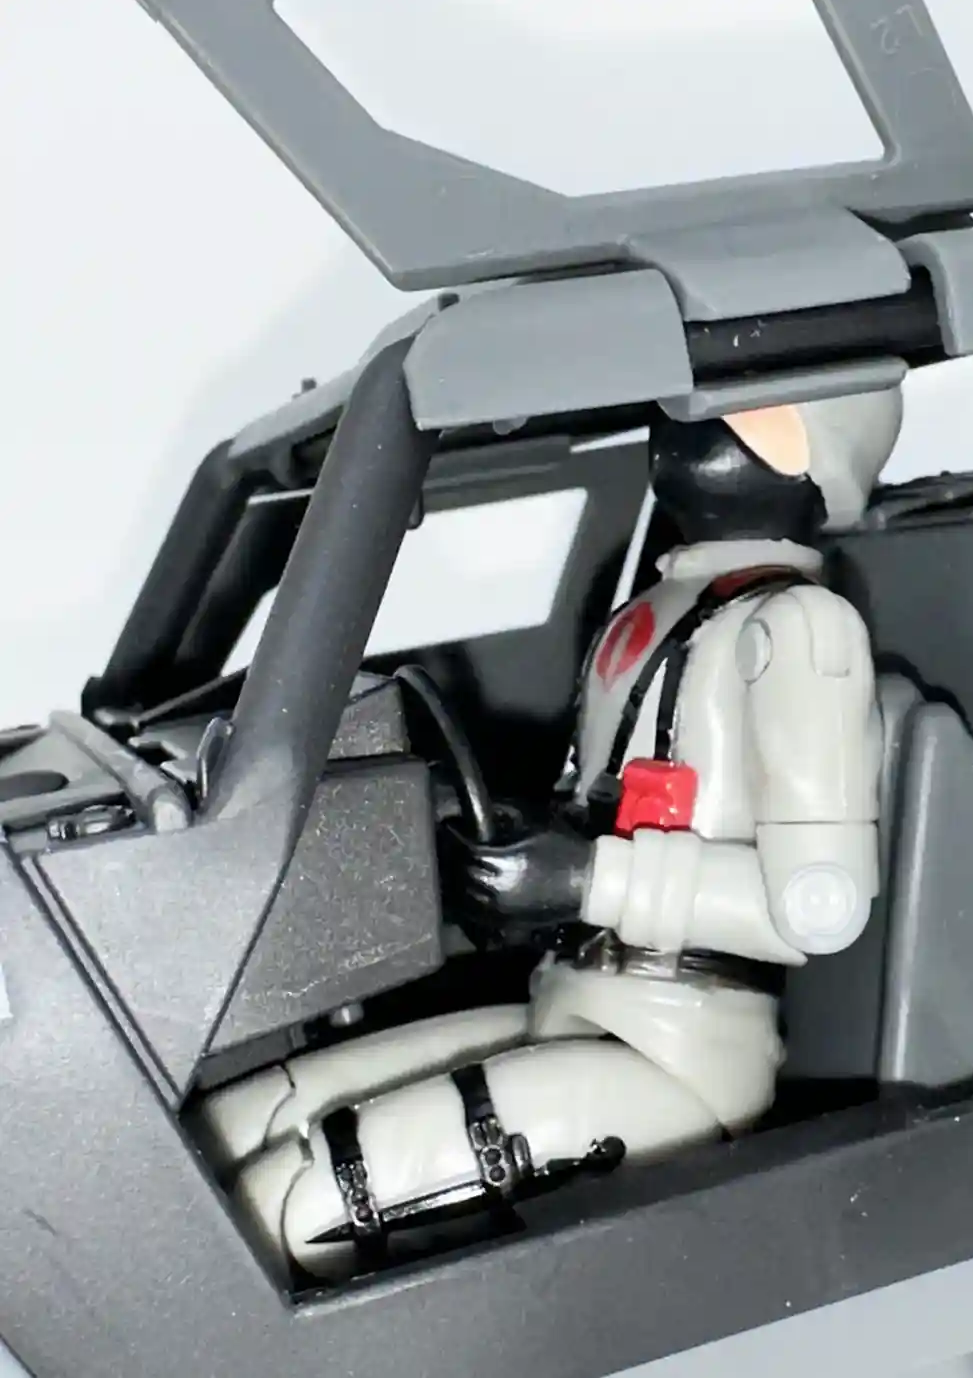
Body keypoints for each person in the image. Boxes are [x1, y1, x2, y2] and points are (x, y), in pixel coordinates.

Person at [196, 387, 903, 1282]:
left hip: (681, 1061)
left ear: (824, 445)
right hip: (567, 1003)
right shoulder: (657, 607)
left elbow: (817, 908)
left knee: (289, 1213)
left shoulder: (802, 628)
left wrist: (585, 880)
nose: (698, 411)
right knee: (231, 1134)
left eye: (753, 402)